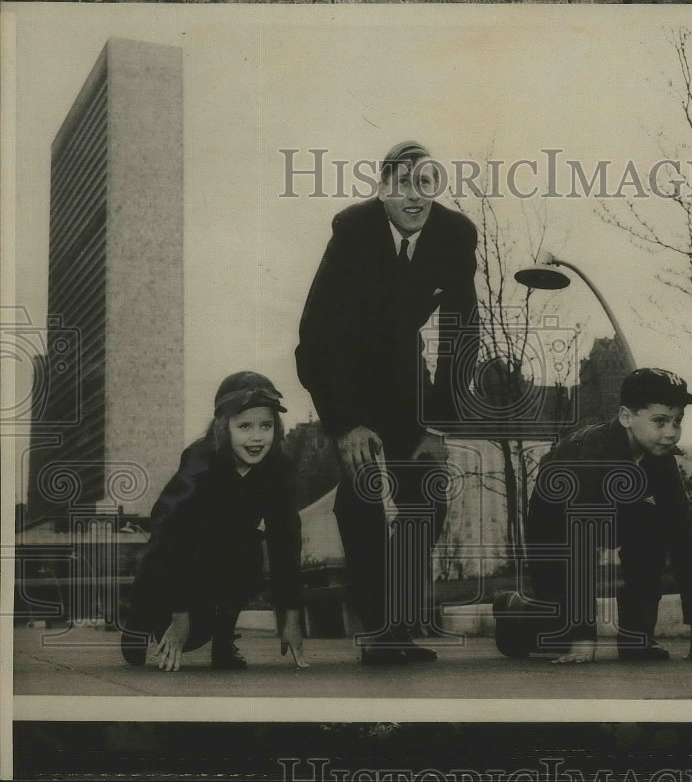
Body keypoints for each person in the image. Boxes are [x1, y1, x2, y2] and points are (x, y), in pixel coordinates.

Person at [296, 140, 479, 665]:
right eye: (400, 184)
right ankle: (378, 629)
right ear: (383, 190)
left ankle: (399, 620)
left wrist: (438, 426)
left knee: (428, 491)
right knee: (363, 496)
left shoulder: (455, 234)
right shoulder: (352, 229)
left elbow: (461, 331)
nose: (413, 197)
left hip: (403, 372)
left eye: (424, 184)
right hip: (346, 370)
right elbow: (313, 335)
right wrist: (345, 424)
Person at [497, 368, 692, 664]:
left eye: (677, 421)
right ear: (627, 417)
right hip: (554, 529)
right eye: (660, 421)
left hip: (612, 515)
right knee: (561, 630)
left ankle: (636, 638)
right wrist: (584, 639)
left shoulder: (659, 457)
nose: (671, 432)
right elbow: (579, 549)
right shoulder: (590, 454)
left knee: (656, 528)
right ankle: (515, 610)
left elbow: (683, 538)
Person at [120, 372, 307, 672]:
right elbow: (169, 535)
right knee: (177, 620)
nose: (257, 437)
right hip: (176, 558)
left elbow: (286, 539)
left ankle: (223, 641)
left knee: (247, 545)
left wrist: (291, 617)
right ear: (223, 426)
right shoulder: (200, 461)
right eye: (244, 426)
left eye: (266, 425)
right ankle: (140, 620)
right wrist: (180, 618)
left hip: (225, 556)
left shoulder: (278, 468)